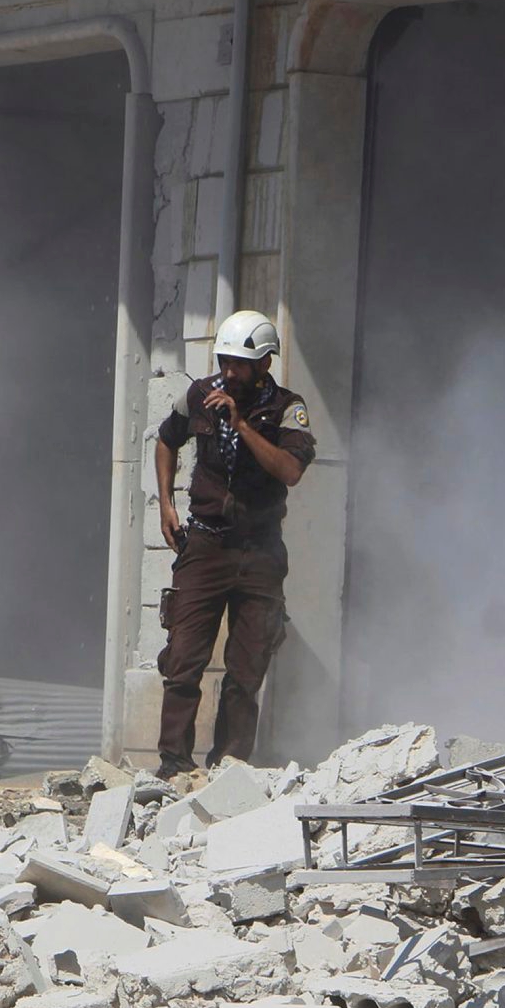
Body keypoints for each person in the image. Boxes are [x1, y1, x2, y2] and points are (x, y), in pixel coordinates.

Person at [153, 310, 316, 780]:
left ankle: (230, 768)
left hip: (260, 552)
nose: (229, 372)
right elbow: (166, 440)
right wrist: (165, 502)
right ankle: (173, 767)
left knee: (246, 669)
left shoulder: (287, 408)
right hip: (205, 545)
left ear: (265, 363)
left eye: (240, 364)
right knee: (183, 659)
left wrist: (243, 425)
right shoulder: (199, 395)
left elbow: (290, 470)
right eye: (225, 361)